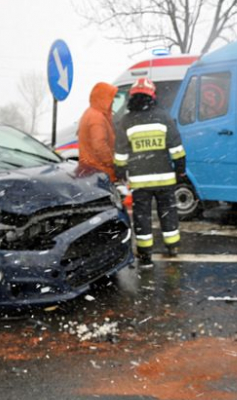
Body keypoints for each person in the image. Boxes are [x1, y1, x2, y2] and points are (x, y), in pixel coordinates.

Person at [114, 77, 186, 269]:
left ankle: (146, 255)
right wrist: (180, 169)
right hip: (164, 178)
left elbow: (120, 153)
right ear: (152, 96)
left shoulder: (126, 121)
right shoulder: (163, 117)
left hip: (140, 181)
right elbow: (176, 147)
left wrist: (120, 171)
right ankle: (173, 246)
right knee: (168, 212)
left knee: (142, 216)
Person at [78, 82, 119, 181]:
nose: (112, 103)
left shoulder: (91, 113)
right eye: (111, 99)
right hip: (99, 171)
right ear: (104, 99)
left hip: (92, 170)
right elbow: (99, 145)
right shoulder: (97, 118)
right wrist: (112, 162)